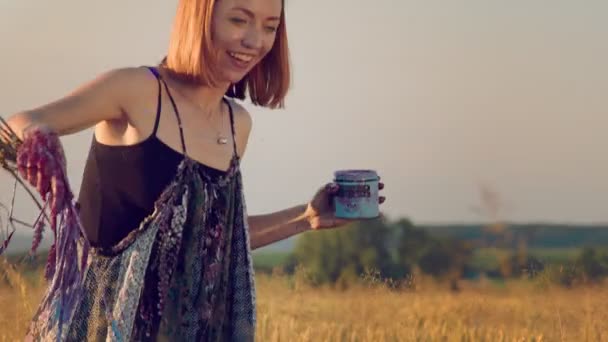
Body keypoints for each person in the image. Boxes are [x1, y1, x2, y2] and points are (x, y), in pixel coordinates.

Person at [5, 0, 386, 340]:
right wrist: (40, 145)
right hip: (99, 327)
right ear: (200, 16)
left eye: (270, 27)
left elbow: (210, 241)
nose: (255, 41)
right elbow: (22, 122)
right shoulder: (136, 90)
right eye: (240, 20)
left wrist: (306, 218)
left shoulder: (237, 124)